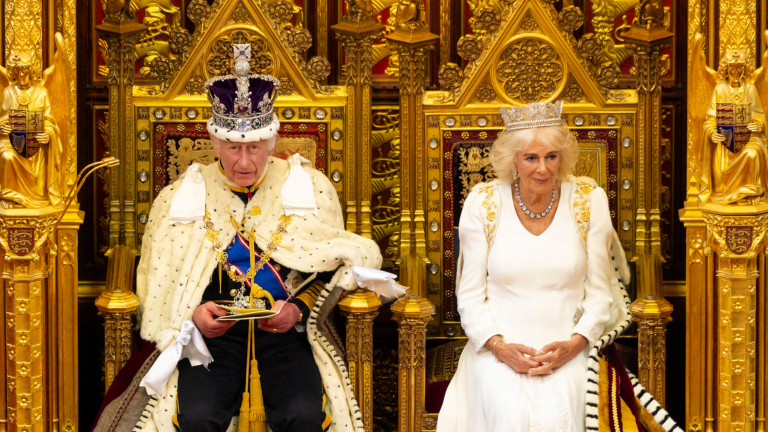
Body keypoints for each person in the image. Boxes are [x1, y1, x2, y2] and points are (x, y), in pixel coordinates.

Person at [129, 44, 382, 432]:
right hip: (210, 336)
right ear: (214, 143)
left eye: (254, 148)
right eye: (233, 147)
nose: (243, 162)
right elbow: (162, 283)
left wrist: (296, 310)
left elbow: (333, 265)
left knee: (302, 415)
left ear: (272, 142)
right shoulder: (179, 196)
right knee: (196, 418)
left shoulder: (309, 188)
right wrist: (193, 316)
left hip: (286, 329)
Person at [437, 101, 628, 432]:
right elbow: (469, 296)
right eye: (531, 158)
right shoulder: (483, 203)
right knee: (510, 414)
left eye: (551, 157)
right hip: (497, 348)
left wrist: (576, 343)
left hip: (568, 347)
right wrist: (498, 347)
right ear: (513, 160)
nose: (543, 168)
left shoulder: (587, 200)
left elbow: (599, 295)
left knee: (561, 415)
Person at [699, 49, 768, 204]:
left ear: (744, 69)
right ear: (726, 69)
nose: (735, 73)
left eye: (739, 69)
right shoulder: (719, 89)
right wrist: (712, 133)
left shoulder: (750, 89)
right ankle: (729, 194)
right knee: (722, 164)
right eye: (732, 69)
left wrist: (758, 125)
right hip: (726, 141)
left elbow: (760, 116)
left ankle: (750, 193)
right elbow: (710, 120)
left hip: (748, 139)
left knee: (753, 154)